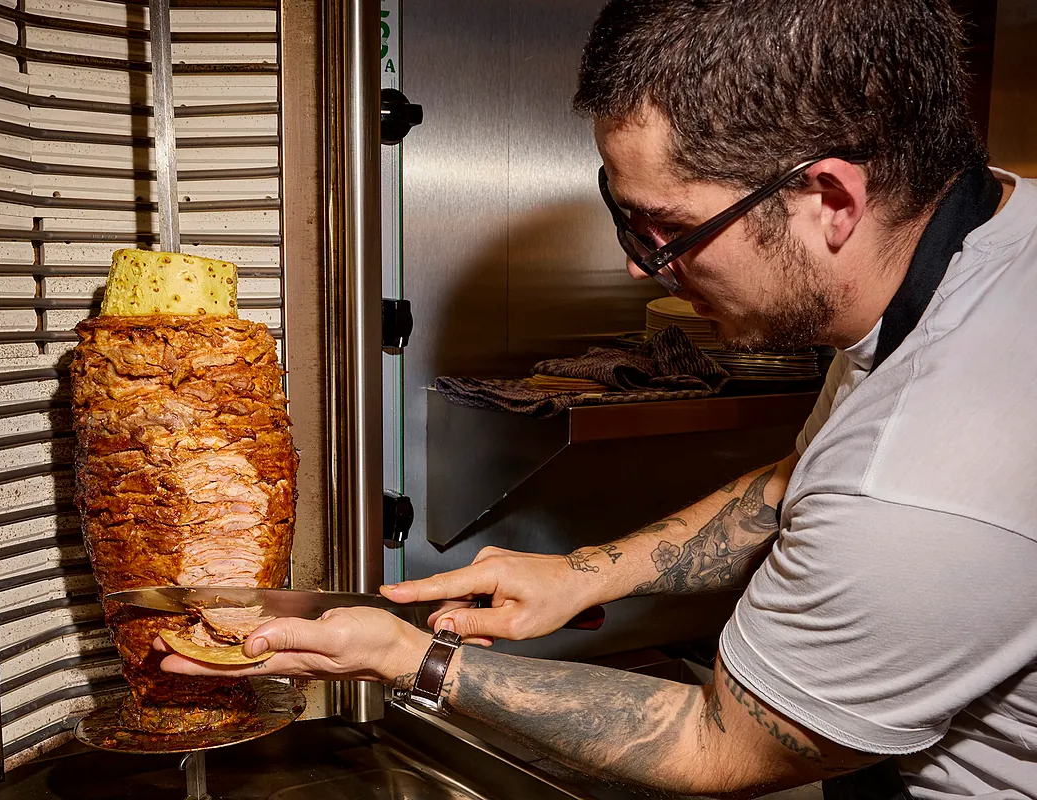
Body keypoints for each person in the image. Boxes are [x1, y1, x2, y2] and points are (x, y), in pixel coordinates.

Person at [159, 1, 1037, 797]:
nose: (639, 264)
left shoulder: (919, 472)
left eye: (668, 229)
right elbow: (794, 483)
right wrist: (585, 573)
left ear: (829, 198)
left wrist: (407, 659)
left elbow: (720, 744)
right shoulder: (985, 234)